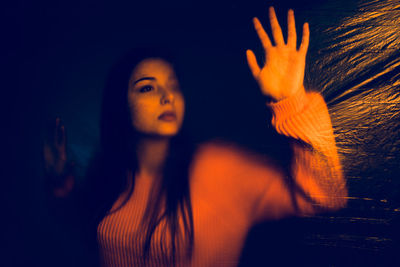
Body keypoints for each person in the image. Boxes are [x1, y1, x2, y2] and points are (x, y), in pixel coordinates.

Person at [43, 7, 347, 267]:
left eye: (173, 86)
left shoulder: (217, 167)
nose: (167, 96)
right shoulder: (107, 172)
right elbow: (82, 234)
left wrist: (291, 100)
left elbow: (325, 197)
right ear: (119, 105)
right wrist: (60, 183)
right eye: (148, 87)